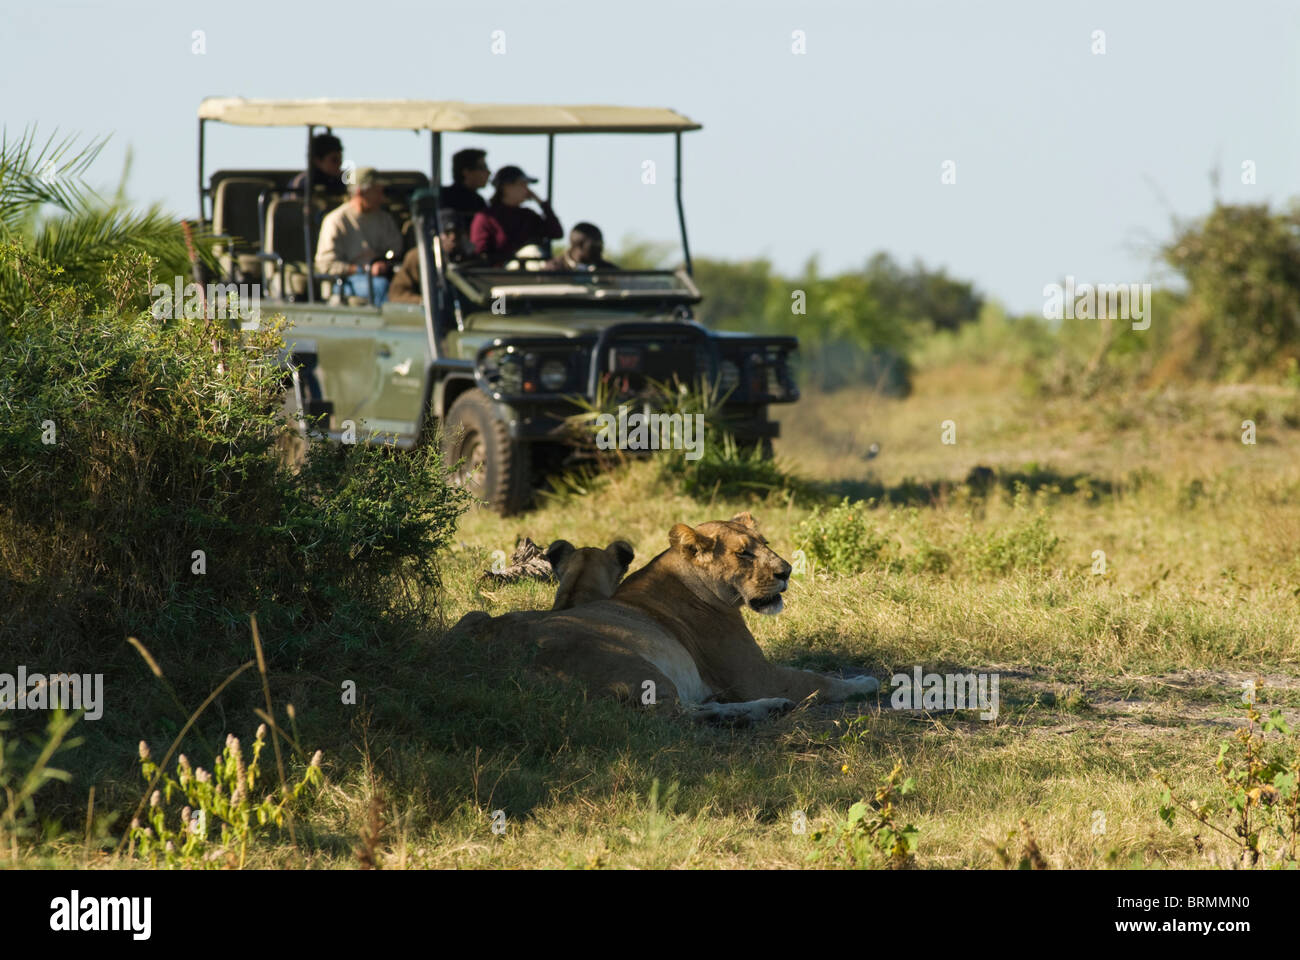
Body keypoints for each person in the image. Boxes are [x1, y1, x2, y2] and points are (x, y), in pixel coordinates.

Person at [314, 167, 404, 304]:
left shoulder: (384, 218)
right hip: (347, 281)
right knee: (380, 287)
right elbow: (326, 264)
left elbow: (396, 247)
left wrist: (384, 263)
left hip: (383, 275)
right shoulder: (336, 220)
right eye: (377, 191)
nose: (382, 197)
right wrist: (362, 269)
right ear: (360, 192)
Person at [469, 165, 562, 266]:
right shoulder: (486, 217)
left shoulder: (528, 215)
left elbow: (556, 233)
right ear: (506, 187)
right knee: (531, 252)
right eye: (522, 184)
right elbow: (480, 253)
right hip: (499, 276)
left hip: (530, 274)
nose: (527, 190)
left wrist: (541, 203)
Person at [388, 210, 470, 304]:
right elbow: (397, 295)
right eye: (447, 232)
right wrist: (424, 302)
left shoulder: (469, 257)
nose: (453, 237)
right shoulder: (419, 258)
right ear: (435, 235)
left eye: (457, 232)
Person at [287, 132, 346, 196]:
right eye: (334, 160)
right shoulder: (303, 183)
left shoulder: (337, 181)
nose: (340, 164)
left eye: (340, 159)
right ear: (318, 160)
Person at [441, 148, 490, 223]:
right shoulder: (445, 197)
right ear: (466, 172)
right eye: (482, 167)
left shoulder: (479, 201)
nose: (488, 172)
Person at [544, 222, 619, 271]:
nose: (601, 248)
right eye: (596, 244)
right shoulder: (554, 269)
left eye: (601, 243)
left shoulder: (609, 270)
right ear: (579, 245)